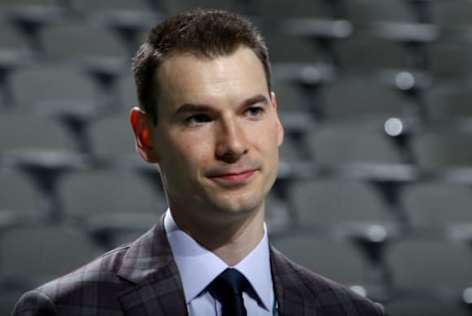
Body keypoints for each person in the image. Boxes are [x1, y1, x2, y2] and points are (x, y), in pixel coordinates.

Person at [13, 8, 384, 316]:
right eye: (199, 119)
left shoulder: (353, 313)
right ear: (145, 136)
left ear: (276, 119)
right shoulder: (65, 310)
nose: (233, 145)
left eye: (252, 111)